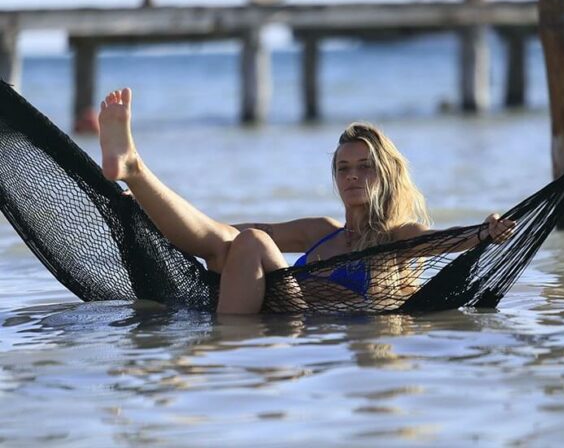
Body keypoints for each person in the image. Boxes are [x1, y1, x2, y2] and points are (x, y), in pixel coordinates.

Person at [98, 88, 515, 315]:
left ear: (386, 174)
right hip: (276, 312)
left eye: (365, 167)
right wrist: (147, 210)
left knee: (252, 242)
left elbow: (443, 241)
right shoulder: (321, 231)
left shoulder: (397, 237)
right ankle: (135, 168)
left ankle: (222, 349)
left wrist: (484, 232)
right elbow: (223, 234)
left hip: (302, 329)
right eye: (343, 168)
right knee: (231, 242)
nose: (352, 175)